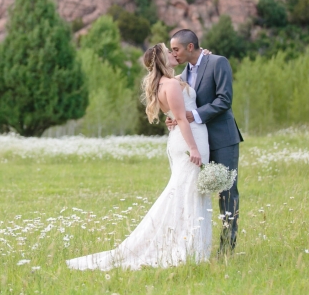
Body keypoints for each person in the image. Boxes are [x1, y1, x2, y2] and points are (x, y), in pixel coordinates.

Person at [66, 43, 212, 270]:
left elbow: (179, 104)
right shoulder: (171, 84)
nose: (174, 54)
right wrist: (193, 148)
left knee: (187, 189)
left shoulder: (168, 81)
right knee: (186, 190)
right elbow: (182, 118)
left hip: (183, 138)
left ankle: (190, 241)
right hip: (188, 140)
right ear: (163, 60)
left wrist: (203, 56)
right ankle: (186, 245)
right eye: (169, 52)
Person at [168, 29, 242, 254]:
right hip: (199, 142)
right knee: (193, 191)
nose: (174, 54)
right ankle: (193, 245)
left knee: (227, 191)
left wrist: (193, 115)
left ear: (190, 47)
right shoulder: (182, 74)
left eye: (176, 49)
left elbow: (224, 99)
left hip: (222, 138)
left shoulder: (218, 63)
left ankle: (227, 248)